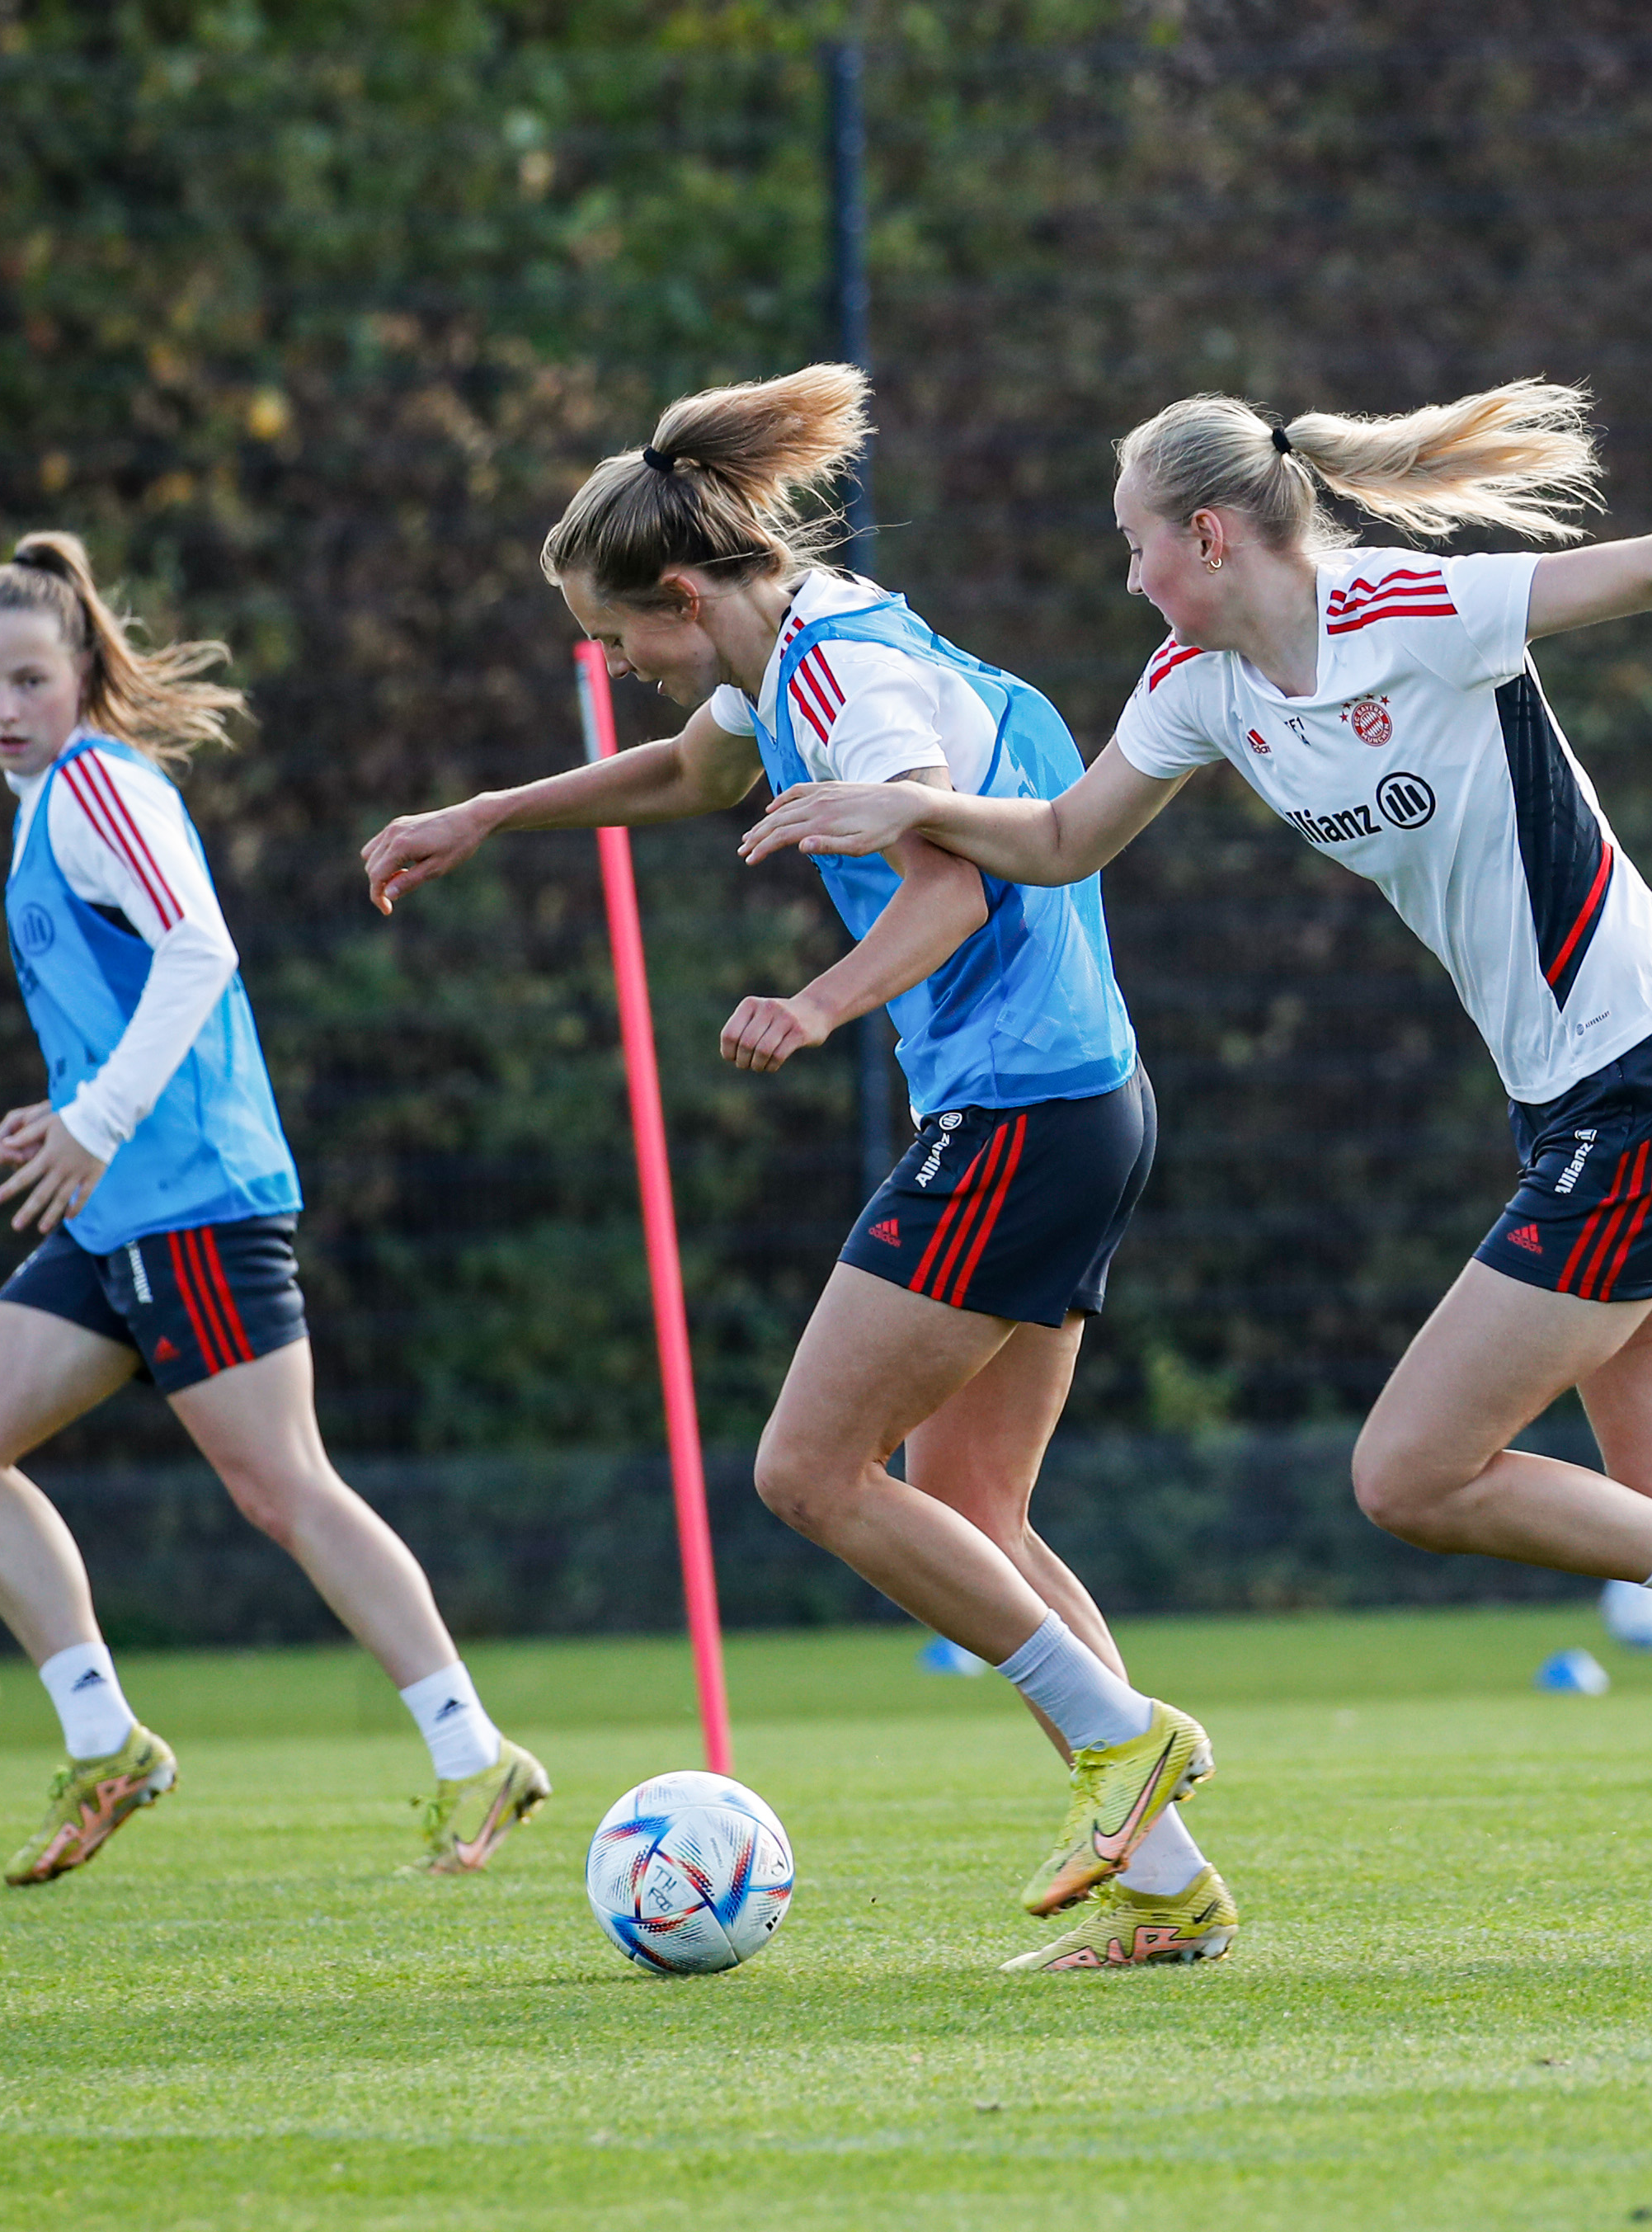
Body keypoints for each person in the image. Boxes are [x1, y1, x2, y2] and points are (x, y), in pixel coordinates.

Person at [740, 382, 1652, 1944]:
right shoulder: (1198, 684)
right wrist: (915, 805)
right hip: (1590, 1098)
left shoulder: (1413, 605)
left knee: (1412, 1473)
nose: (1132, 577)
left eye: (1139, 544)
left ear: (1211, 534)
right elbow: (1065, 839)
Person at [357, 366, 1235, 1972]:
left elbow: (953, 893)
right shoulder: (812, 637)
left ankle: (1124, 1743)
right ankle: (1165, 1884)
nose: (619, 671)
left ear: (684, 596)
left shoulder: (849, 687)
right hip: (1076, 1100)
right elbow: (696, 774)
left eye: (623, 640)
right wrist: (486, 813)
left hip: (1020, 1110)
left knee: (807, 1475)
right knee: (970, 1506)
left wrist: (815, 1003)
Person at [0, 532, 550, 1889]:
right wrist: (73, 1104)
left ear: (81, 668)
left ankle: (473, 1752)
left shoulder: (93, 787)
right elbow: (128, 986)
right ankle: (108, 1745)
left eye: (27, 678)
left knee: (283, 1489)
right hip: (117, 1205)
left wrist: (96, 1117)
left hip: (191, 1193)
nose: (4, 711)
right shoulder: (43, 803)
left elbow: (202, 946)